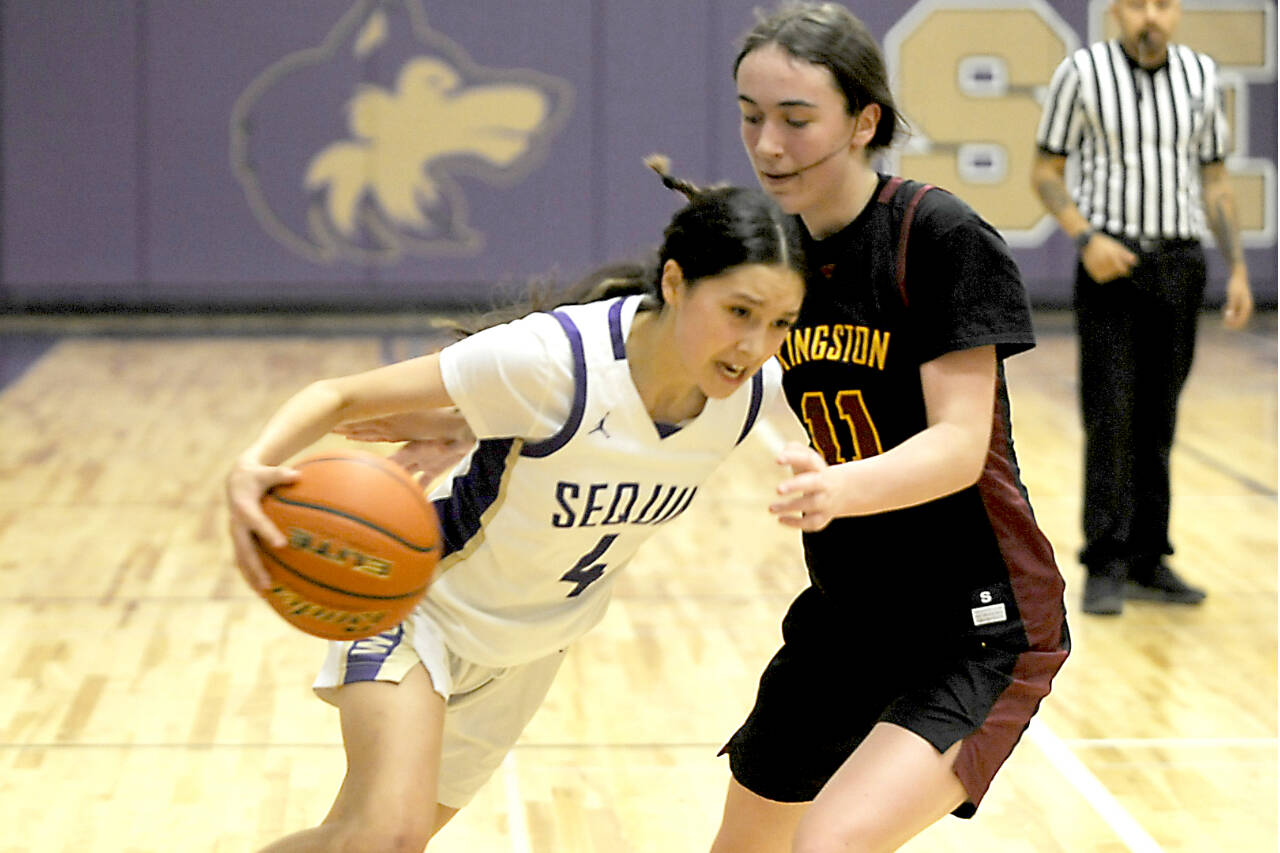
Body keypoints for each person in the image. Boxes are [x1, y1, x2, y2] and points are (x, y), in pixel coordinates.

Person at [225, 161, 808, 852]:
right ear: (676, 282)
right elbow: (338, 396)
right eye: (739, 312)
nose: (754, 344)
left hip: (531, 647)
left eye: (780, 323)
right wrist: (250, 466)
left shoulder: (749, 396)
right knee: (386, 832)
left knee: (361, 839)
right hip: (419, 607)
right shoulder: (550, 359)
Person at [707, 5, 1071, 851]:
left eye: (797, 121)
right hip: (851, 610)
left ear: (865, 121)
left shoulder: (938, 237)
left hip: (977, 621)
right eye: (751, 116)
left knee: (828, 842)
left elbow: (956, 444)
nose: (767, 145)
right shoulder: (774, 252)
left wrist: (839, 486)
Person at [1031, 0, 1254, 616]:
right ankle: (1104, 559)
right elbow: (1045, 171)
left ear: (1176, 12)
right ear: (1115, 12)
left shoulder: (1201, 76)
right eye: (1135, 5)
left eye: (1161, 4)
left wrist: (1236, 268)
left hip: (1180, 261)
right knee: (1110, 413)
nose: (1148, 17)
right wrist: (1085, 237)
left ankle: (1150, 556)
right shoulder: (1082, 72)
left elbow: (1216, 180)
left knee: (1160, 415)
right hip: (1111, 261)